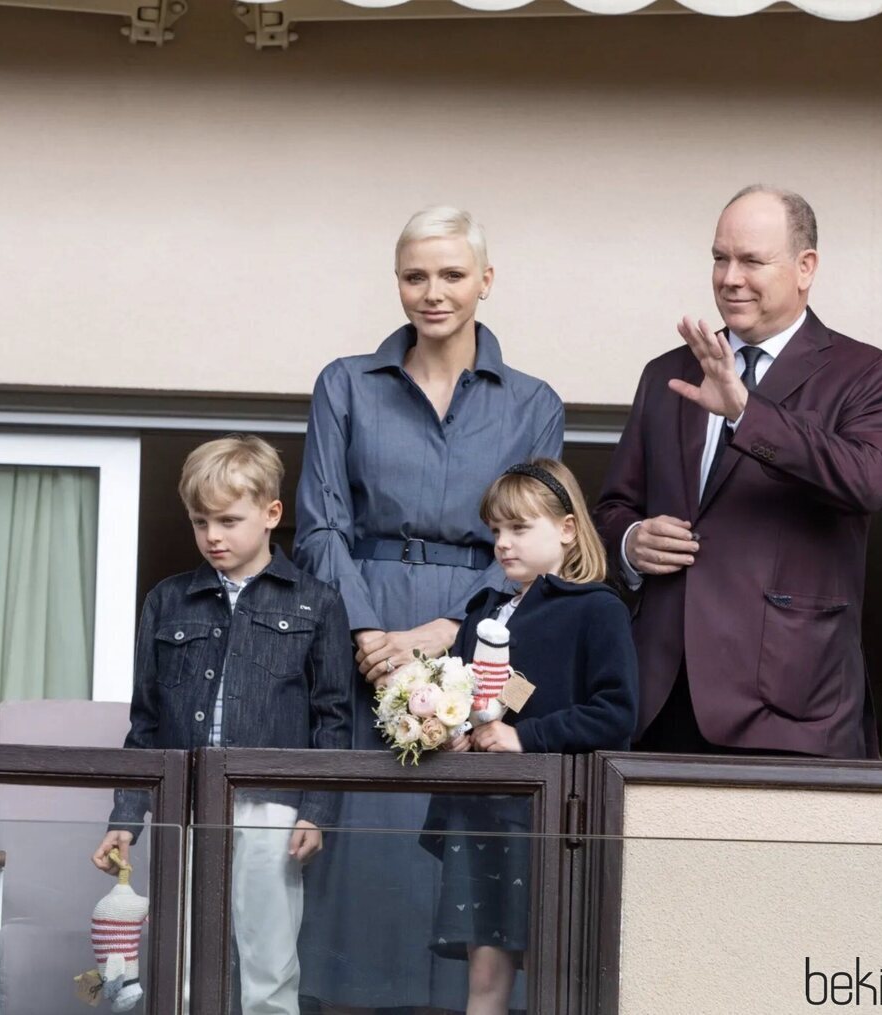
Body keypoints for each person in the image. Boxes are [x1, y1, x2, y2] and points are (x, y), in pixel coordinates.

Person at [293, 206, 564, 1012]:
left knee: (463, 846)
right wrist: (371, 631)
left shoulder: (533, 401)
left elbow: (525, 539)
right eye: (416, 275)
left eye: (452, 274)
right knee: (358, 859)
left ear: (486, 280)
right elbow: (321, 523)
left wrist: (445, 630)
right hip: (358, 640)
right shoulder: (345, 383)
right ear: (398, 282)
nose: (433, 291)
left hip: (478, 642)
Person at [594, 185, 882, 759]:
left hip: (794, 704)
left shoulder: (869, 374)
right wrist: (631, 542)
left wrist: (746, 412)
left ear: (805, 267)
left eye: (751, 261)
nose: (730, 277)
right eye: (720, 257)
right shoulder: (666, 375)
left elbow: (868, 480)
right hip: (663, 697)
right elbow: (614, 506)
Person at [92, 435, 352, 1015]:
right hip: (185, 805)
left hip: (274, 806)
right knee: (182, 953)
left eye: (229, 520)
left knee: (270, 955)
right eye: (200, 521)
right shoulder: (167, 601)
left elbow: (334, 720)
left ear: (271, 514)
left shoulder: (318, 602)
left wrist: (318, 808)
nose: (214, 535)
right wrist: (126, 817)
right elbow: (146, 723)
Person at [428, 458, 638, 1015]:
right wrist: (449, 732)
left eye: (519, 529)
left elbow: (616, 714)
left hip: (551, 820)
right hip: (480, 816)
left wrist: (526, 737)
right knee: (486, 971)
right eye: (496, 530)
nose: (502, 543)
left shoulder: (597, 608)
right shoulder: (481, 613)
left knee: (553, 973)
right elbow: (467, 704)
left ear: (567, 529)